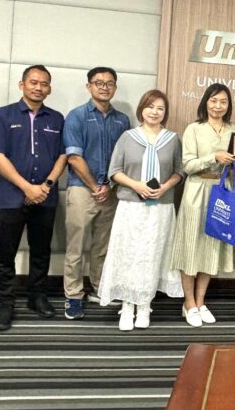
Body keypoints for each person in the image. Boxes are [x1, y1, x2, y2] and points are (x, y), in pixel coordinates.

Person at [0, 65, 67, 332]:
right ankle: (4, 304)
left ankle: (37, 296)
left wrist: (46, 185)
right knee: (5, 252)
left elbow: (63, 155)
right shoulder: (2, 115)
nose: (38, 87)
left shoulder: (56, 118)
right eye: (33, 82)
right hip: (12, 197)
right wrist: (26, 187)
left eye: (44, 83)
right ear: (22, 84)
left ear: (49, 89)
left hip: (46, 196)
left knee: (41, 250)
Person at [97, 90, 184, 330]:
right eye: (150, 106)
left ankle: (145, 304)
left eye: (160, 108)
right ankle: (127, 305)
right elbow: (114, 171)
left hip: (161, 208)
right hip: (131, 207)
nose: (154, 112)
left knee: (152, 255)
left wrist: (165, 186)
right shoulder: (128, 137)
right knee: (129, 254)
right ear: (141, 109)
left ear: (165, 113)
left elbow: (179, 171)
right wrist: (136, 185)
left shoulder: (172, 139)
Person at [61, 67, 130, 320]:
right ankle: (73, 295)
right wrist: (94, 186)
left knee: (103, 245)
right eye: (98, 83)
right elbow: (74, 157)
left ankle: (99, 287)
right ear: (88, 86)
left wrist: (108, 186)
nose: (104, 87)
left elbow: (124, 158)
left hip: (111, 191)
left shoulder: (122, 120)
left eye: (109, 83)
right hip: (82, 189)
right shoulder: (76, 116)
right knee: (76, 247)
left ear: (115, 88)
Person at [170, 83, 235, 327]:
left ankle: (200, 302)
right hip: (197, 190)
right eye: (213, 100)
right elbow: (188, 165)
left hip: (222, 191)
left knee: (211, 247)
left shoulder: (234, 130)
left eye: (223, 101)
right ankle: (188, 303)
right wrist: (214, 157)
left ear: (228, 105)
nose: (218, 106)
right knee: (191, 246)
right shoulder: (194, 128)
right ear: (205, 102)